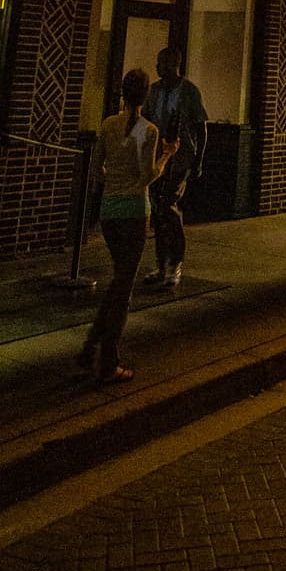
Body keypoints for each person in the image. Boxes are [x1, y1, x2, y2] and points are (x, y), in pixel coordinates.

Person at [79, 69, 175, 384]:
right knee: (124, 289)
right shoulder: (149, 131)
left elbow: (97, 169)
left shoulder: (108, 125)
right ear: (146, 95)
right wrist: (166, 157)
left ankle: (90, 346)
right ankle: (108, 362)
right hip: (135, 210)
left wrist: (113, 180)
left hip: (109, 211)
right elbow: (147, 177)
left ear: (122, 92)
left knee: (119, 281)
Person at [141, 46, 207, 292]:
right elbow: (145, 120)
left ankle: (174, 264)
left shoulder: (189, 92)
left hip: (180, 160)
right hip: (157, 160)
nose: (157, 67)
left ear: (173, 64)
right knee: (157, 211)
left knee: (169, 207)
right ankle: (161, 264)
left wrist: (198, 160)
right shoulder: (154, 91)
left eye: (161, 63)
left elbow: (201, 127)